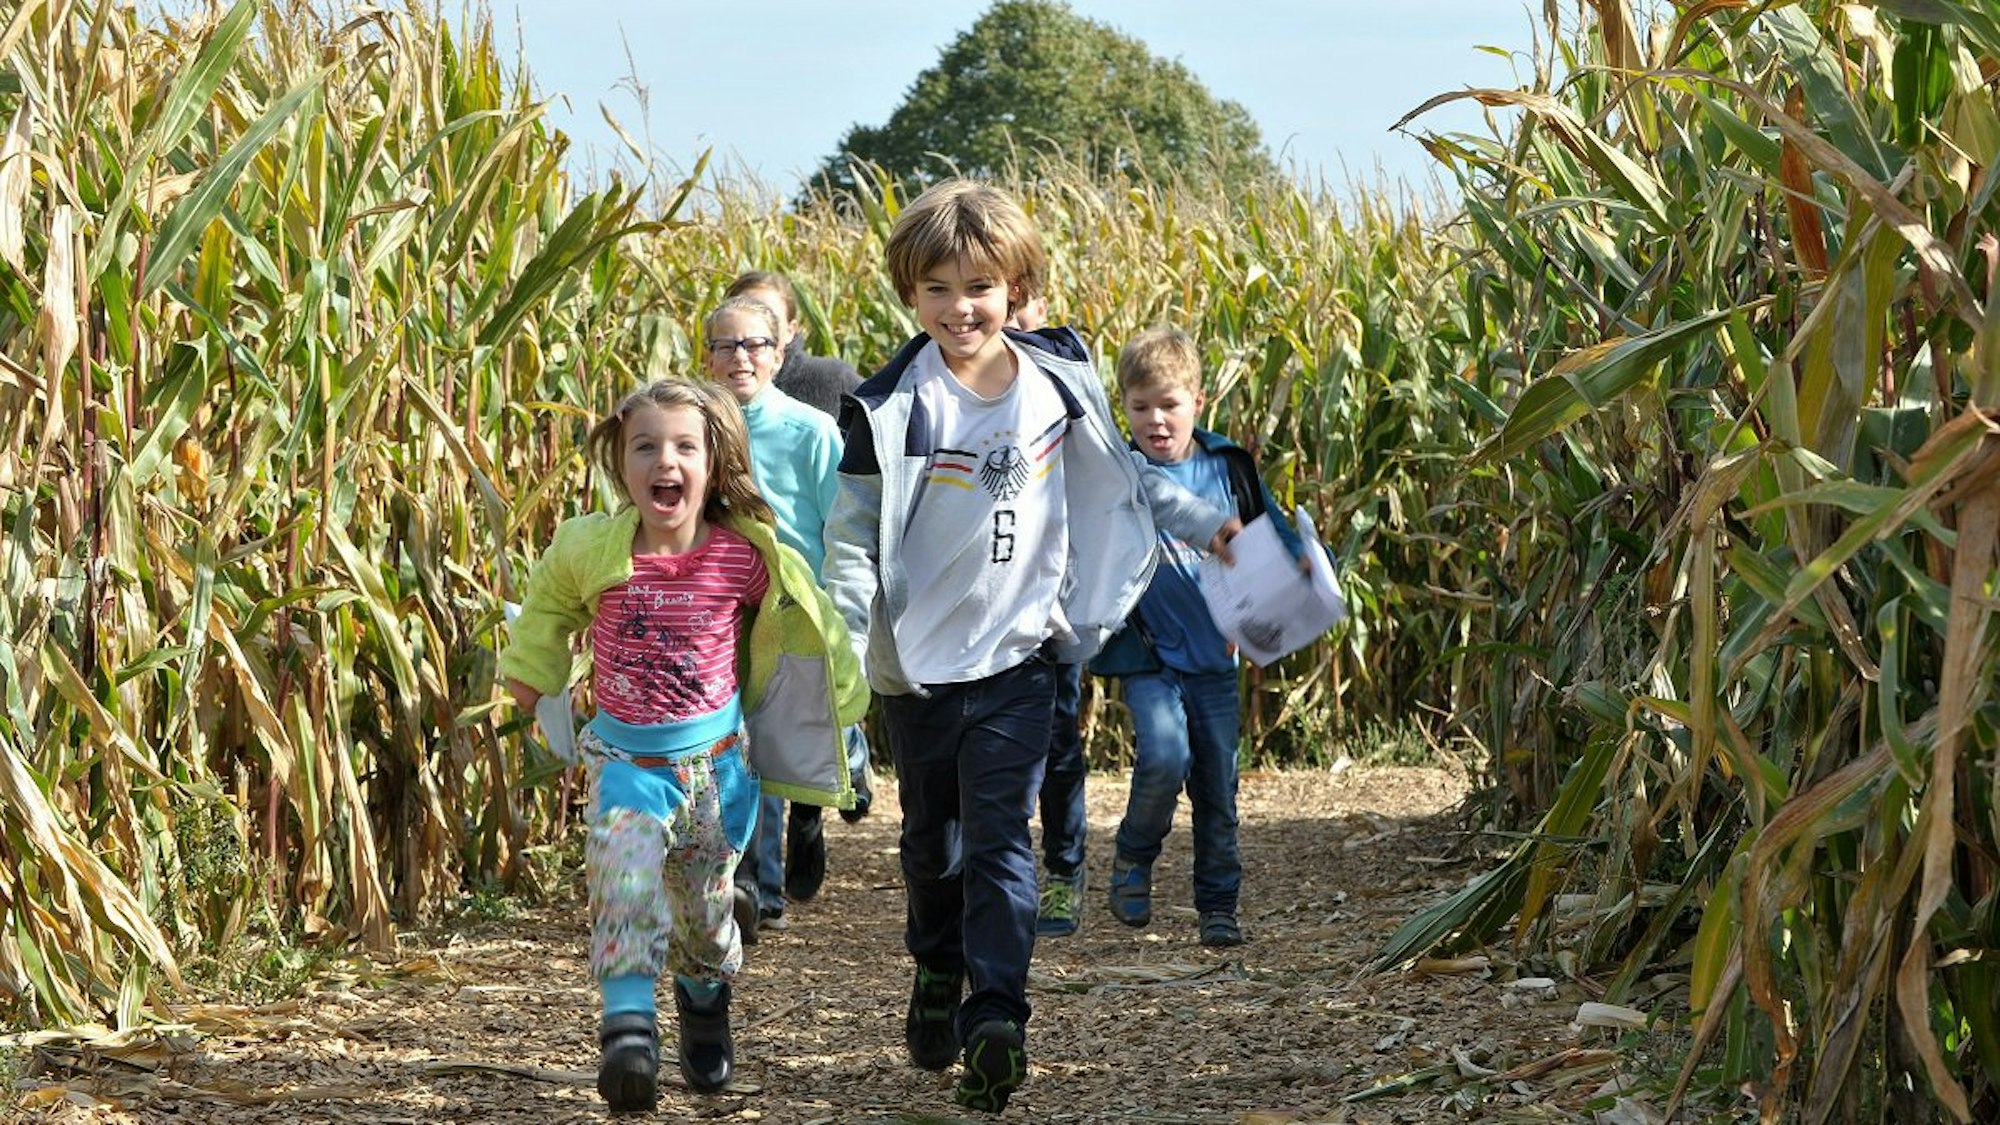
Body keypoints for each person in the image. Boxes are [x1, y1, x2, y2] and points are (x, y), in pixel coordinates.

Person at [823, 179, 1239, 1113]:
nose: (959, 307)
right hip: (918, 674)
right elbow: (850, 541)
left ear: (1015, 288)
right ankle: (937, 965)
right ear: (909, 293)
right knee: (932, 850)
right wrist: (846, 646)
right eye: (936, 288)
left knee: (1004, 841)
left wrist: (1209, 523)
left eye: (979, 286)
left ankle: (997, 1016)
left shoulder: (1058, 380)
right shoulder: (889, 409)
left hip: (1022, 658)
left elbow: (1128, 477)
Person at [499, 378, 866, 1112]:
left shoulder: (744, 557)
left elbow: (805, 622)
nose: (664, 460)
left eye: (684, 447)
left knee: (704, 914)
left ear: (714, 463)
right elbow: (546, 607)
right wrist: (534, 677)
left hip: (715, 771)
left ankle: (703, 1000)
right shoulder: (591, 550)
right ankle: (628, 1030)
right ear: (621, 463)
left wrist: (838, 706)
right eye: (645, 446)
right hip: (625, 761)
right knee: (623, 878)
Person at [1089, 326, 1312, 950]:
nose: (1155, 420)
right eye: (1140, 407)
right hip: (1149, 652)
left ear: (1198, 400)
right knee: (1164, 756)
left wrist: (1299, 562)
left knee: (1218, 785)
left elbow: (1271, 529)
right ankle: (1134, 854)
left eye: (1169, 404)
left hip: (1216, 654)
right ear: (1123, 406)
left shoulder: (1225, 467)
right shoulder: (1120, 472)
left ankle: (1218, 905)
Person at [702, 293, 846, 936]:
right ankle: (750, 887)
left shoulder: (810, 432)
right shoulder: (700, 430)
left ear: (780, 353)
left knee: (771, 747)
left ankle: (785, 850)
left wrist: (838, 609)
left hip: (792, 610)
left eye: (755, 344)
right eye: (727, 345)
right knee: (737, 745)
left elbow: (841, 526)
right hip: (718, 610)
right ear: (709, 357)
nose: (741, 357)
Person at [1007, 291, 1088, 941]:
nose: (1008, 321)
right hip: (983, 608)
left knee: (1058, 743)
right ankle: (1000, 878)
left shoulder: (1063, 373)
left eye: (1018, 303)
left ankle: (1064, 868)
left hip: (1055, 602)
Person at [724, 270, 862, 419]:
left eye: (769, 318)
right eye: (745, 317)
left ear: (790, 330)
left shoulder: (833, 380)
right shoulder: (719, 392)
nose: (754, 330)